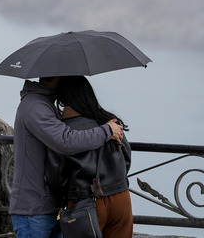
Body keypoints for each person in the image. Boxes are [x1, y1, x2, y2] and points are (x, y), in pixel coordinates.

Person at [10, 75, 125, 238]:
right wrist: (106, 131)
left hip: (47, 207)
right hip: (34, 210)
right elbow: (66, 141)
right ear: (56, 75)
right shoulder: (35, 106)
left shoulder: (45, 104)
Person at [45, 75, 134, 238]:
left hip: (84, 201)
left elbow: (55, 178)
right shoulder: (110, 122)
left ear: (62, 98)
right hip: (121, 196)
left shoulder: (62, 131)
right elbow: (126, 158)